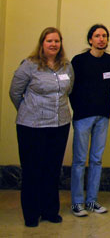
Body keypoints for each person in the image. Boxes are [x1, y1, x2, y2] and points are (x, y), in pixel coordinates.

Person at [9, 27, 73, 227]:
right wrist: (30, 110)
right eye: (49, 41)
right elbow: (15, 93)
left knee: (52, 169)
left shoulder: (66, 66)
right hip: (32, 126)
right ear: (42, 43)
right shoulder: (29, 65)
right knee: (32, 170)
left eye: (57, 41)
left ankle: (50, 210)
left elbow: (68, 90)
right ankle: (31, 213)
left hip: (59, 124)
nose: (54, 44)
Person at [69, 24, 110, 217]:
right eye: (97, 36)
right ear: (90, 39)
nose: (101, 39)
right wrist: (79, 109)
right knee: (80, 160)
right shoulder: (79, 61)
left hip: (103, 115)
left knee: (96, 160)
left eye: (104, 36)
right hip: (82, 116)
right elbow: (71, 88)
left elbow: (108, 86)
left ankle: (92, 200)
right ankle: (77, 202)